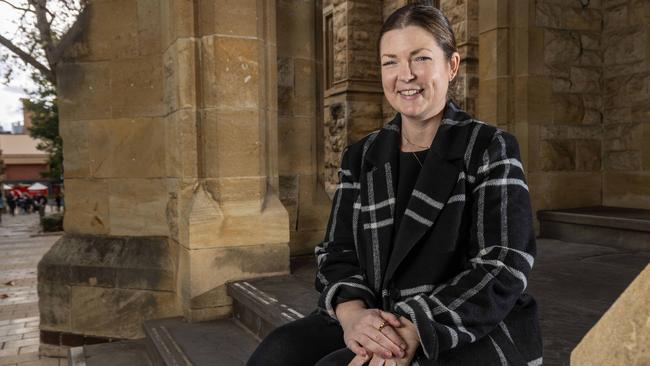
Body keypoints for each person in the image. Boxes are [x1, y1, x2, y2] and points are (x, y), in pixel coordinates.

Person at [247, 4, 542, 366]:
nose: (405, 75)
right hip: (377, 312)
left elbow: (503, 265)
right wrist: (353, 315)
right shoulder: (361, 155)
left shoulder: (489, 147)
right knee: (276, 354)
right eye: (390, 62)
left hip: (463, 322)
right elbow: (336, 252)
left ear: (451, 66)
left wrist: (415, 329)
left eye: (420, 58)